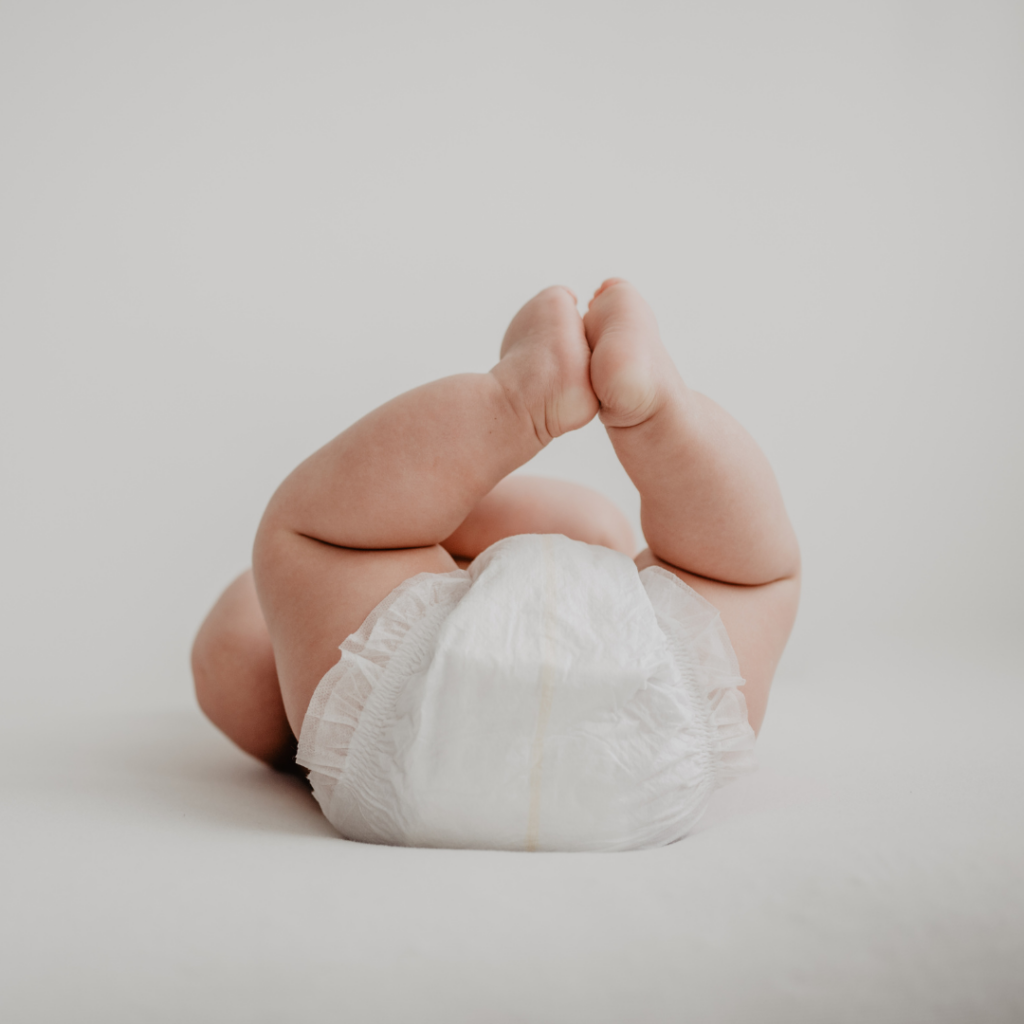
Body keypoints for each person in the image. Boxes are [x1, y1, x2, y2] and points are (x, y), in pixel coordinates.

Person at [191, 279, 800, 850]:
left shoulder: (349, 647)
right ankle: (613, 406)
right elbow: (586, 526)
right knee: (744, 575)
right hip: (657, 740)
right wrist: (421, 525)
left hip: (408, 752)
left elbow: (254, 635)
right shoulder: (582, 547)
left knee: (294, 570)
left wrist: (401, 542)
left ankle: (532, 402)